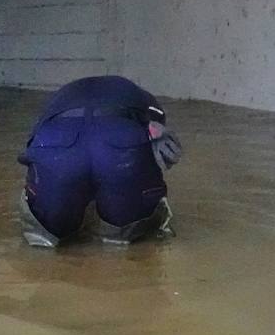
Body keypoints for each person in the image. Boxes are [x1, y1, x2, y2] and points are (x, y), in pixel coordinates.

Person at [16, 75, 182, 247]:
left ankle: (46, 238)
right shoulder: (140, 96)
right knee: (124, 234)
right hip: (118, 146)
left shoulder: (56, 99)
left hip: (56, 144)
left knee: (42, 235)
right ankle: (119, 235)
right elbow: (158, 123)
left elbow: (32, 143)